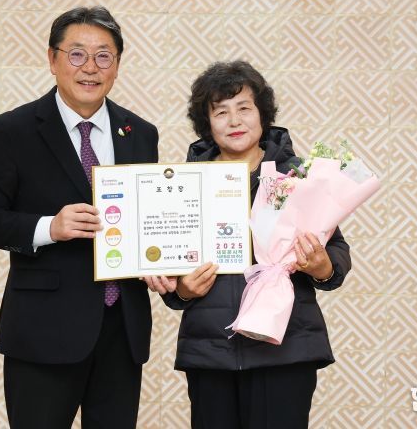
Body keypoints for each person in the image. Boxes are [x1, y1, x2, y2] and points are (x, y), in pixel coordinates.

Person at [0, 6, 159, 428]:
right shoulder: (13, 131)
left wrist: (160, 262)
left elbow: (145, 220)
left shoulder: (140, 132)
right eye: (77, 54)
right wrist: (48, 227)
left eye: (103, 56)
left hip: (122, 331)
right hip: (43, 332)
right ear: (52, 59)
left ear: (117, 65)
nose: (90, 67)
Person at [147, 60, 351, 428]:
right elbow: (172, 272)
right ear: (207, 123)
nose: (234, 121)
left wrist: (323, 267)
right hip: (211, 352)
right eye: (221, 112)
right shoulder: (183, 183)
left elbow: (334, 252)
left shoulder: (296, 177)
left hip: (284, 348)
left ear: (263, 114)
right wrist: (181, 290)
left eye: (244, 108)